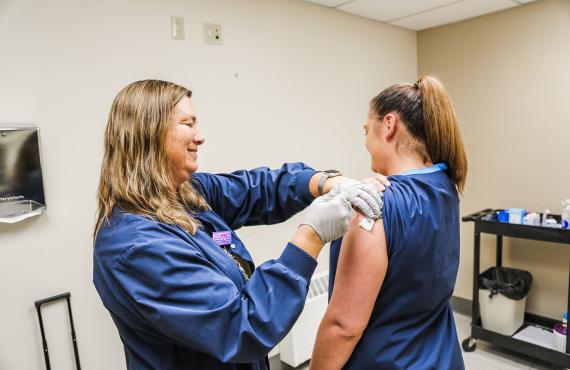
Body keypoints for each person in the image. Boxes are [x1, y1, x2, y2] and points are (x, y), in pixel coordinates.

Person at [92, 79, 384, 370]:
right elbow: (240, 327)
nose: (200, 136)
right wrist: (312, 235)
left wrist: (327, 182)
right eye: (188, 123)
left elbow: (257, 189)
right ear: (150, 133)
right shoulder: (135, 246)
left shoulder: (186, 193)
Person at [310, 76, 468, 370]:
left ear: (389, 125)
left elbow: (343, 327)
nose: (365, 141)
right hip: (440, 357)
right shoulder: (446, 186)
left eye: (366, 129)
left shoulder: (373, 207)